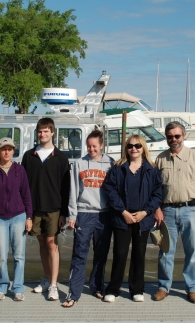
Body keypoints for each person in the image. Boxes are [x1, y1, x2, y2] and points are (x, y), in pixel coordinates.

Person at [154, 121, 195, 304]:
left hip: (191, 210)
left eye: (177, 136)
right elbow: (155, 189)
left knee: (193, 251)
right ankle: (164, 286)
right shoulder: (160, 159)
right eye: (170, 136)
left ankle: (193, 288)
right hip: (167, 210)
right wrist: (157, 209)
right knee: (165, 251)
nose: (174, 139)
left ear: (183, 136)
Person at [103, 135, 162, 303]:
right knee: (120, 253)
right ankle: (113, 289)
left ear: (143, 148)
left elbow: (158, 194)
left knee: (139, 253)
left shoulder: (151, 169)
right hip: (123, 217)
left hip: (142, 218)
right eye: (130, 146)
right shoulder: (118, 167)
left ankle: (137, 289)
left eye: (137, 146)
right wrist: (122, 211)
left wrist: (146, 212)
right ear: (126, 148)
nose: (134, 149)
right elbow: (110, 190)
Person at [62, 130, 114, 307]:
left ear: (101, 145)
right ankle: (73, 293)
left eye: (94, 146)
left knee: (101, 254)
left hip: (104, 214)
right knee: (79, 254)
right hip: (84, 213)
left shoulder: (111, 163)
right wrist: (72, 214)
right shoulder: (79, 163)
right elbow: (73, 189)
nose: (91, 149)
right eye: (89, 146)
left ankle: (97, 286)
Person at [22, 117, 70, 300]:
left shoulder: (60, 157)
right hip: (34, 208)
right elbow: (24, 185)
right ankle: (47, 277)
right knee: (41, 242)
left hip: (53, 208)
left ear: (52, 132)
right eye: (40, 131)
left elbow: (66, 187)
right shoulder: (29, 156)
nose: (43, 134)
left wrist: (64, 213)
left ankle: (53, 285)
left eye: (46, 131)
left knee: (52, 243)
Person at [0, 137, 33, 302]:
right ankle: (1, 286)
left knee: (19, 255)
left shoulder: (20, 170)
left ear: (13, 151)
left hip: (19, 216)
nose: (7, 152)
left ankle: (18, 287)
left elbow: (26, 194)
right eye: (4, 149)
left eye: (10, 149)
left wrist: (29, 217)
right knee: (0, 255)